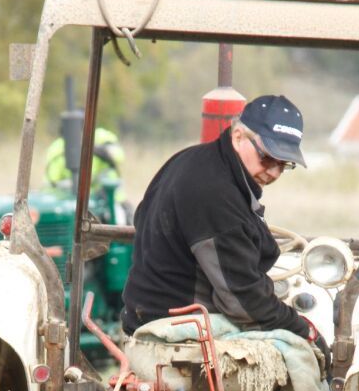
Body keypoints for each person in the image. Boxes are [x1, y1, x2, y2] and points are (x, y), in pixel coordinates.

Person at [121, 94, 325, 355]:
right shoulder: (216, 194)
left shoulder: (189, 159)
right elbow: (243, 303)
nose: (274, 172)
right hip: (175, 324)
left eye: (284, 164)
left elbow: (141, 217)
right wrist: (304, 329)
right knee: (302, 354)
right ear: (238, 136)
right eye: (267, 157)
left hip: (140, 313)